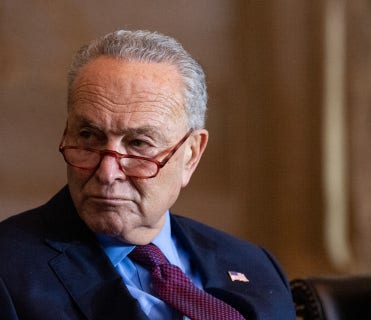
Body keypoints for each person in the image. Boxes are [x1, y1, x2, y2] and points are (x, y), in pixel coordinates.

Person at [0, 30, 295, 320]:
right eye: (89, 136)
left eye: (139, 144)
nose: (107, 172)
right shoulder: (9, 270)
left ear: (191, 154)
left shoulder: (256, 266)